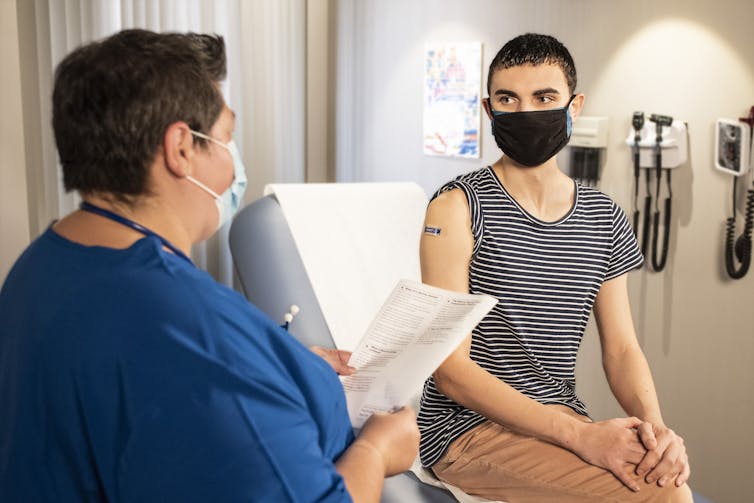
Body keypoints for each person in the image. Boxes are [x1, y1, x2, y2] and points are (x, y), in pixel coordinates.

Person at [0, 29, 418, 503]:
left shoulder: (39, 268)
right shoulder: (194, 331)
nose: (231, 162)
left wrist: (280, 359)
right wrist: (377, 452)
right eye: (227, 137)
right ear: (181, 148)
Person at [417, 33, 692, 502]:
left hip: (559, 419)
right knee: (660, 497)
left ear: (574, 105)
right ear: (489, 111)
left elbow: (622, 350)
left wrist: (657, 431)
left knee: (665, 477)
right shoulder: (456, 207)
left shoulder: (604, 216)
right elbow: (450, 372)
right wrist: (579, 435)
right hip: (465, 430)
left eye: (544, 97)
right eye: (509, 99)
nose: (526, 113)